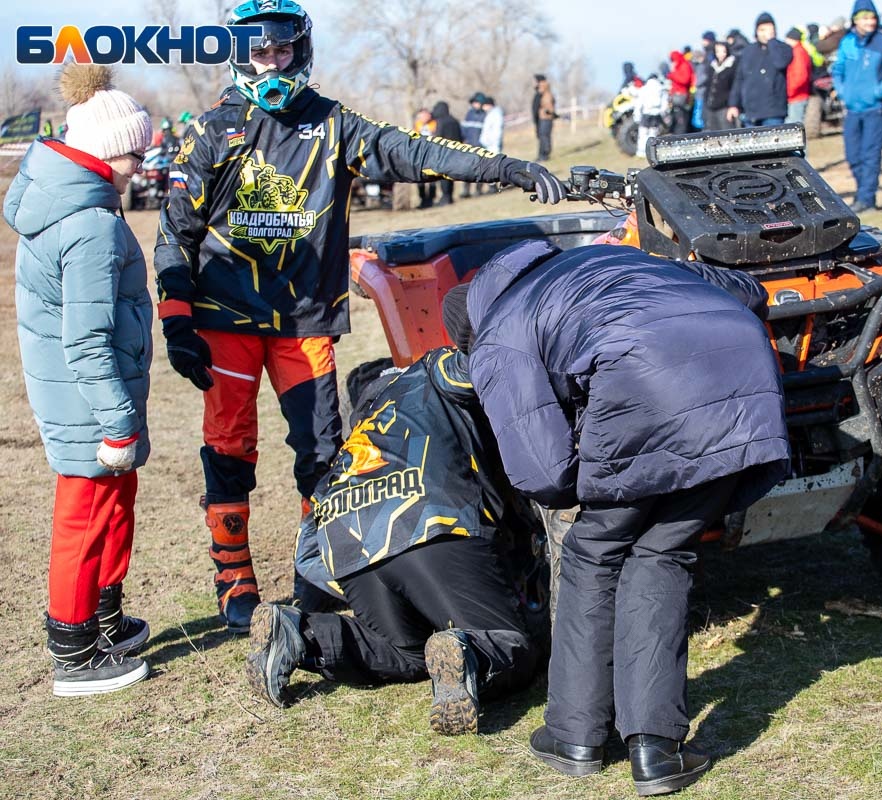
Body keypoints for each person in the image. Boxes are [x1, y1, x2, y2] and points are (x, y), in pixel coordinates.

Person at [154, 0, 568, 634]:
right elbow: (174, 230)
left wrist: (504, 167)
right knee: (230, 449)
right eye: (260, 53)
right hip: (226, 320)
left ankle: (316, 570)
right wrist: (177, 318)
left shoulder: (335, 125)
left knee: (320, 451)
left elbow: (416, 151)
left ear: (302, 51)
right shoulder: (216, 130)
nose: (273, 64)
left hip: (305, 319)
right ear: (239, 55)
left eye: (283, 51)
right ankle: (233, 576)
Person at [450, 241, 790, 795]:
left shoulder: (497, 335)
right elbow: (746, 289)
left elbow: (543, 473)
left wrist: (589, 470)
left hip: (643, 383)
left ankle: (574, 736)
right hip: (741, 387)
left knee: (593, 553)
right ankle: (655, 751)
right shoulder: (602, 262)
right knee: (660, 553)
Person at [247, 342, 541, 735]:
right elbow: (488, 364)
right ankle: (469, 650)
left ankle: (301, 635)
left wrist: (359, 577)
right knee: (511, 644)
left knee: (408, 652)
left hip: (347, 538)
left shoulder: (360, 427)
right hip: (431, 520)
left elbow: (308, 553)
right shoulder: (434, 368)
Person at [4, 63, 154, 696]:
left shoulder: (81, 202)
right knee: (84, 518)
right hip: (90, 402)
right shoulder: (89, 225)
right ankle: (73, 650)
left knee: (110, 508)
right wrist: (117, 420)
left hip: (90, 395)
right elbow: (86, 337)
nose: (142, 163)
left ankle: (103, 618)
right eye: (134, 151)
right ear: (104, 150)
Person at [833, 0, 882, 212]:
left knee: (871, 155)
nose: (869, 21)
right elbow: (838, 69)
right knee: (853, 155)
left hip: (874, 109)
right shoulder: (847, 42)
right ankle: (863, 192)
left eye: (871, 17)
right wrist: (843, 91)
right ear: (855, 20)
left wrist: (877, 93)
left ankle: (866, 198)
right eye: (864, 18)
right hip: (852, 109)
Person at [727, 13, 794, 127]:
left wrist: (771, 41)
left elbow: (780, 63)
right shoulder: (748, 51)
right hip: (750, 113)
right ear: (756, 31)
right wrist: (733, 104)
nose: (765, 33)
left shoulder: (783, 48)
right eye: (762, 30)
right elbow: (739, 79)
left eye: (769, 29)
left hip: (773, 112)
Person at [430, 101, 463, 205]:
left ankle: (446, 197)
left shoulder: (441, 122)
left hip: (444, 152)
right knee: (450, 176)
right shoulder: (455, 121)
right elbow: (460, 137)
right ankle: (449, 196)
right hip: (455, 150)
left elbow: (438, 137)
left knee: (443, 176)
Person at [634, 72, 670, 158]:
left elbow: (639, 103)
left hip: (646, 112)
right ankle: (651, 152)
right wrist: (664, 113)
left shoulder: (644, 89)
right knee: (653, 133)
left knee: (643, 133)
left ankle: (641, 151)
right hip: (656, 113)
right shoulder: (661, 88)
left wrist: (637, 115)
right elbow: (664, 103)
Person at [705, 41, 739, 131]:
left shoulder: (732, 66)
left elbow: (734, 87)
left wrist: (732, 105)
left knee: (726, 133)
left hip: (725, 108)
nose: (720, 54)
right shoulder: (712, 67)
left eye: (723, 51)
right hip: (711, 106)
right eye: (718, 51)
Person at [784, 27, 815, 125]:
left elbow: (800, 76)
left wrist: (789, 92)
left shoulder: (797, 52)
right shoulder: (800, 51)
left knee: (793, 127)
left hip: (796, 96)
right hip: (797, 95)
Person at [460, 92, 487, 198]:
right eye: (474, 102)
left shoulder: (485, 115)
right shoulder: (469, 114)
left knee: (479, 169)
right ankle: (466, 190)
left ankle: (478, 189)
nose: (475, 105)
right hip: (469, 145)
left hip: (480, 146)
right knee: (466, 169)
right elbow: (464, 129)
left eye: (477, 103)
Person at [480, 96, 505, 194]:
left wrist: (492, 142)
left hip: (493, 145)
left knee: (493, 166)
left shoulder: (496, 115)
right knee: (490, 166)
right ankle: (492, 185)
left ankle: (494, 186)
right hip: (489, 144)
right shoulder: (491, 114)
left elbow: (496, 131)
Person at [666, 49, 695, 134]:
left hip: (682, 95)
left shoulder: (684, 65)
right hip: (676, 95)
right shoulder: (678, 66)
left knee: (681, 118)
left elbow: (685, 80)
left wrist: (673, 75)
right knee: (676, 117)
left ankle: (681, 135)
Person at [533, 74, 556, 161]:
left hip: (545, 118)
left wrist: (547, 111)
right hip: (542, 117)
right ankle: (541, 155)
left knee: (544, 136)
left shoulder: (544, 91)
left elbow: (548, 105)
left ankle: (544, 155)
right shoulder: (543, 92)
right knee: (542, 136)